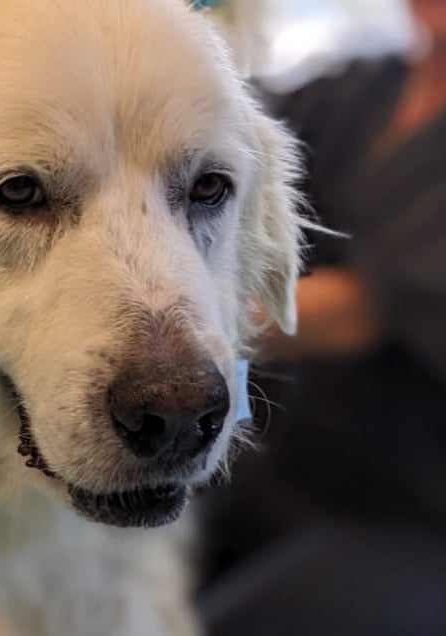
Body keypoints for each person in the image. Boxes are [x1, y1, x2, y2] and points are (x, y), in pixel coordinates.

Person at [198, 1, 446, 634]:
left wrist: (185, 332)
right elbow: (239, 121)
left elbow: (358, 310)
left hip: (409, 516)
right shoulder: (365, 91)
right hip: (289, 463)